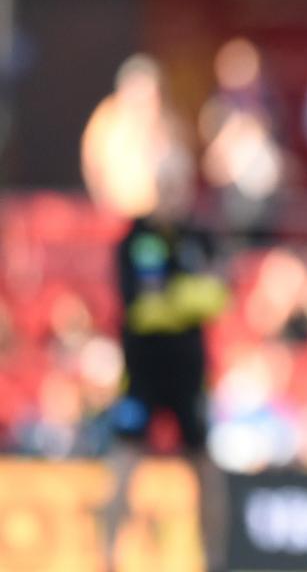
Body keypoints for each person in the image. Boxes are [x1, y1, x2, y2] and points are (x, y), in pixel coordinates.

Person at [103, 149, 229, 572]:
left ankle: (214, 561)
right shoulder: (135, 238)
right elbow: (140, 306)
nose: (173, 194)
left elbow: (218, 296)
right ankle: (108, 559)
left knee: (205, 467)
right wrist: (188, 298)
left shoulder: (199, 238)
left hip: (189, 372)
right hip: (143, 370)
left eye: (179, 185)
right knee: (124, 458)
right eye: (166, 185)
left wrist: (175, 299)